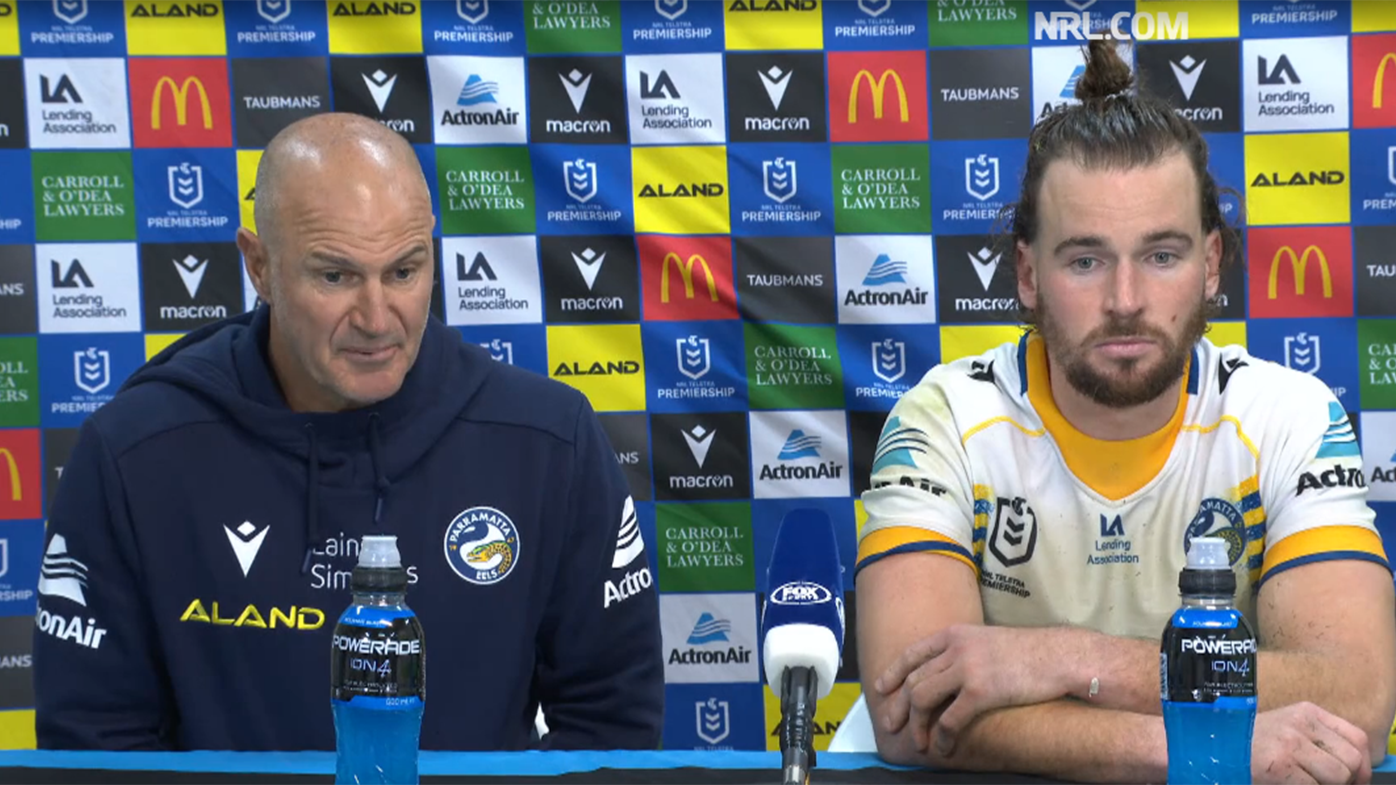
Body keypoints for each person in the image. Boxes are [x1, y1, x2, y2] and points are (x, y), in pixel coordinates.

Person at [31, 113, 664, 751]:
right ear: (259, 266)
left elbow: (612, 725)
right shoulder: (135, 451)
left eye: (404, 271)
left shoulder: (548, 441)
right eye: (335, 276)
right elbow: (94, 739)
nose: (377, 319)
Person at [856, 39, 1395, 785]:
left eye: (1162, 255)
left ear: (1211, 263)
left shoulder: (1288, 415)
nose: (1126, 300)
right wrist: (1199, 750)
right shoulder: (942, 418)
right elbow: (909, 711)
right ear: (1027, 274)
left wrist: (1067, 658)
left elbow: (1357, 696)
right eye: (1086, 260)